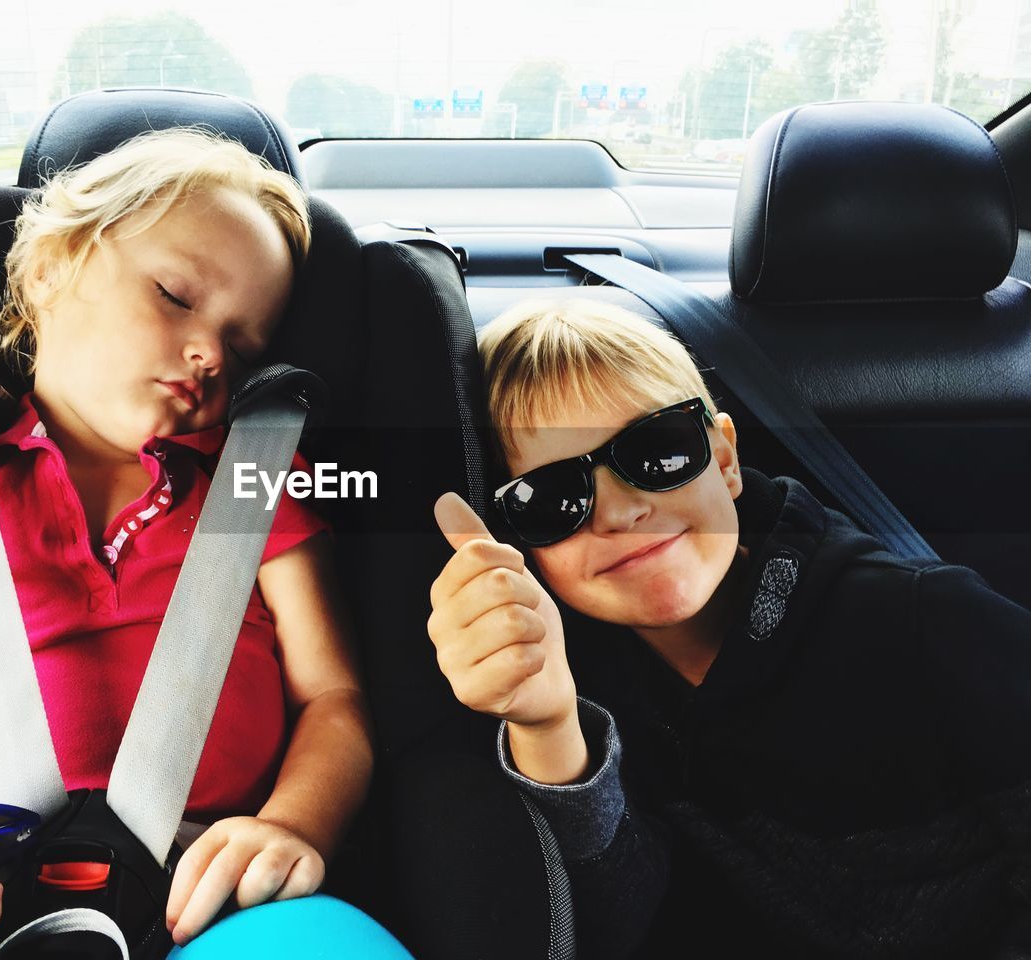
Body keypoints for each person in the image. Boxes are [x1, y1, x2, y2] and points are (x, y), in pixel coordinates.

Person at [0, 128, 379, 959]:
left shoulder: (257, 488)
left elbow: (334, 702)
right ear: (50, 268)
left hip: (215, 895)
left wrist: (291, 826)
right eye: (176, 296)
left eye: (244, 344)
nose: (210, 353)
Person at [426, 298, 1031, 957]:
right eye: (551, 498)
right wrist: (551, 729)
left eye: (657, 450)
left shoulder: (927, 621)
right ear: (521, 540)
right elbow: (618, 929)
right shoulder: (589, 680)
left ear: (724, 458)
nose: (623, 510)